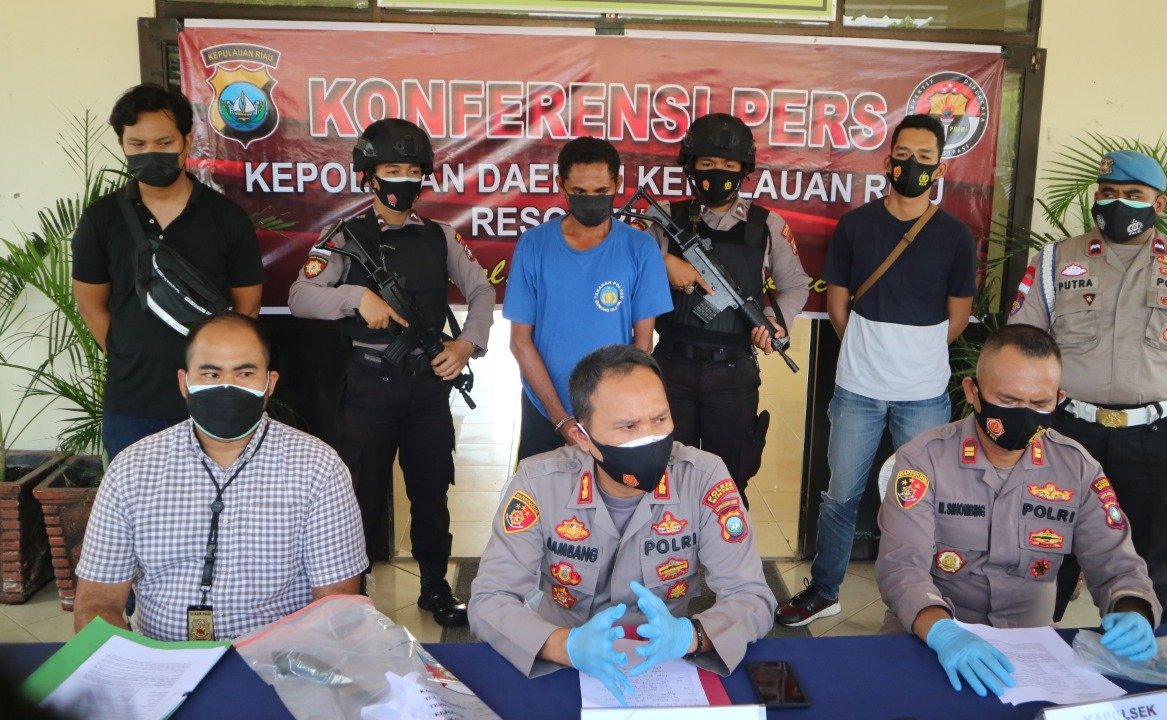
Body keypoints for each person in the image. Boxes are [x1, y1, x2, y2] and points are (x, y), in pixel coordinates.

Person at [469, 345, 774, 703]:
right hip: (564, 663)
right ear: (582, 436)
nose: (650, 437)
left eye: (660, 419)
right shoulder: (539, 483)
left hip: (667, 666)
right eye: (628, 426)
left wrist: (690, 636)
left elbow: (751, 596)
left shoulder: (704, 478)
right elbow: (490, 599)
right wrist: (564, 645)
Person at [1008, 150, 1167, 625]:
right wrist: (1018, 424)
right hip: (1067, 432)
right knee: (1042, 555)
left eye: (1134, 194)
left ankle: (1148, 658)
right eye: (1109, 193)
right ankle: (1028, 652)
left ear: (1159, 203)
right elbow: (1020, 345)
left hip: (1157, 439)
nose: (1118, 203)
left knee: (1152, 563)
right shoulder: (1056, 260)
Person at [876, 325, 1161, 697]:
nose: (1024, 415)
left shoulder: (1076, 468)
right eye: (1008, 400)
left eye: (1039, 403)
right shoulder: (924, 460)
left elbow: (1116, 563)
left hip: (1031, 648)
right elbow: (901, 566)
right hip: (931, 634)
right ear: (973, 392)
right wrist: (944, 632)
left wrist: (1133, 607)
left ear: (1058, 399)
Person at [288, 118, 494, 628]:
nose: (402, 180)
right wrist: (355, 297)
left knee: (431, 490)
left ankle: (435, 586)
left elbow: (482, 291)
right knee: (360, 494)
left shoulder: (441, 237)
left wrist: (466, 344)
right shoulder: (345, 238)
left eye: (411, 171)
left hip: (426, 387)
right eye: (391, 170)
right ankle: (353, 594)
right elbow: (300, 297)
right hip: (369, 388)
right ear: (369, 176)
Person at [776, 114, 976, 627]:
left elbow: (957, 316)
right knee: (840, 495)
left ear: (940, 168)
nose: (912, 165)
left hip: (924, 393)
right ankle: (825, 589)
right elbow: (837, 305)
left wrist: (915, 352)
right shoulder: (856, 226)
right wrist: (869, 351)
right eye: (904, 155)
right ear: (888, 161)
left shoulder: (955, 236)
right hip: (858, 389)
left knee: (919, 499)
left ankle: (918, 599)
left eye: (925, 158)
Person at [73, 313, 366, 642]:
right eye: (211, 373)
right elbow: (96, 604)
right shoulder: (132, 469)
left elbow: (336, 604)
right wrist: (130, 663)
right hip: (161, 655)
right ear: (184, 383)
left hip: (276, 658)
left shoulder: (318, 468)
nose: (227, 387)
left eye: (245, 373)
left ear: (270, 383)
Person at [72, 84, 265, 461]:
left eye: (163, 143)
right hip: (131, 404)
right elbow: (90, 304)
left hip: (212, 398)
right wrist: (127, 353)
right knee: (135, 498)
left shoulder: (226, 218)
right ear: (122, 144)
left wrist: (218, 370)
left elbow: (248, 305)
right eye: (137, 144)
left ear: (187, 141)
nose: (150, 152)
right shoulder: (101, 219)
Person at [641, 113, 809, 506]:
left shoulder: (766, 225)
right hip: (672, 367)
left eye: (729, 166)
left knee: (729, 485)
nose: (718, 173)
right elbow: (622, 261)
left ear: (744, 171)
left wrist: (774, 323)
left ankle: (726, 546)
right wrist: (664, 262)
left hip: (733, 370)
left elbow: (795, 285)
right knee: (666, 480)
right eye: (708, 163)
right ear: (691, 167)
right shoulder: (663, 218)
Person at [504, 137, 672, 462]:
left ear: (617, 184)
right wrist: (561, 419)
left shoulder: (640, 248)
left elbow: (643, 343)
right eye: (580, 192)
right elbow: (520, 342)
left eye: (601, 191)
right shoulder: (534, 245)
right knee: (538, 493)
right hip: (544, 408)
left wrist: (615, 408)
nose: (591, 201)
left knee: (611, 495)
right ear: (562, 186)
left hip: (613, 415)